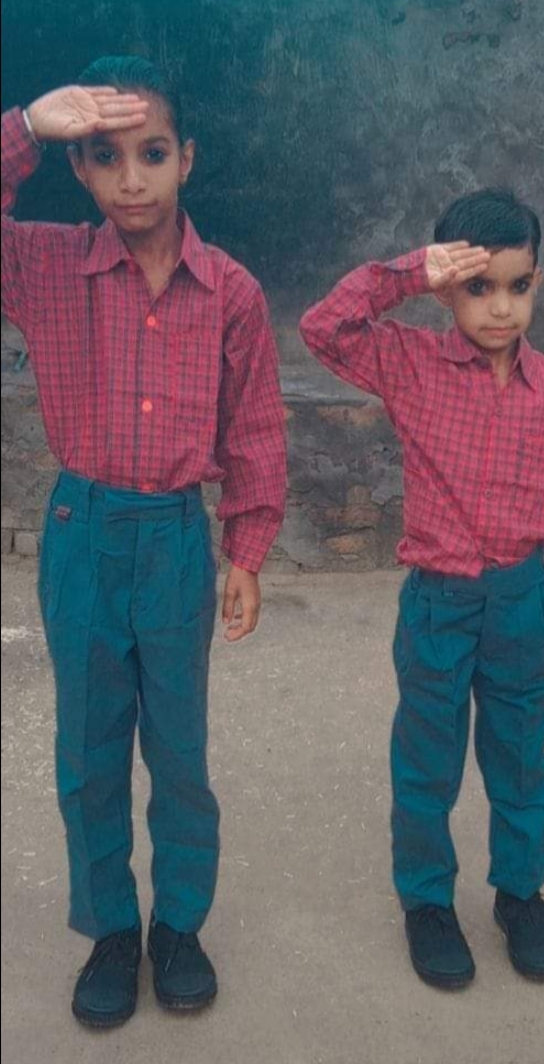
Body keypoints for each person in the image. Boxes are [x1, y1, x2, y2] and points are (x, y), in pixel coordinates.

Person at [1, 55, 287, 1026]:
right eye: (105, 156)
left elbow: (254, 427)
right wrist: (26, 126)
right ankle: (113, 930)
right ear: (79, 169)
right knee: (89, 751)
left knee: (178, 749)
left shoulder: (231, 291)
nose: (131, 179)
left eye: (152, 153)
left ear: (186, 159)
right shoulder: (44, 266)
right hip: (81, 533)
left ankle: (179, 927)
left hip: (174, 539)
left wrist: (247, 549)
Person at [300, 188, 544, 989]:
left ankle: (520, 896)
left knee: (521, 760)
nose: (500, 307)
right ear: (446, 289)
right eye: (478, 286)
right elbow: (322, 328)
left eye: (518, 285)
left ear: (537, 282)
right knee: (427, 763)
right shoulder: (409, 364)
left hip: (522, 602)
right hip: (439, 603)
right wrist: (408, 272)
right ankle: (428, 903)